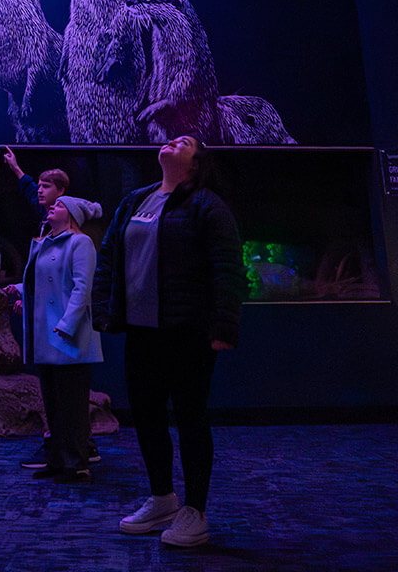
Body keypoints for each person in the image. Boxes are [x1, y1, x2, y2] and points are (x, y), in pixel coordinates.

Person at [92, 135, 245, 548]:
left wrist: (223, 327)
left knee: (191, 417)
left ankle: (195, 511)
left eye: (185, 141)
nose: (172, 141)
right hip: (143, 332)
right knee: (146, 415)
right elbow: (108, 257)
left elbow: (227, 267)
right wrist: (103, 309)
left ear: (196, 164)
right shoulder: (135, 200)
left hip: (188, 331)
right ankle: (162, 498)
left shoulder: (207, 205)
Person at [19, 194, 103, 483]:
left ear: (71, 215)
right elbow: (39, 283)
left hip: (68, 333)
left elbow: (82, 287)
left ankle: (77, 464)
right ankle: (57, 459)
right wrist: (19, 290)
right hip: (46, 333)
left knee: (73, 404)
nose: (51, 207)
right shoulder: (43, 243)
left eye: (58, 205)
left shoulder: (80, 243)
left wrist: (68, 323)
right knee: (53, 402)